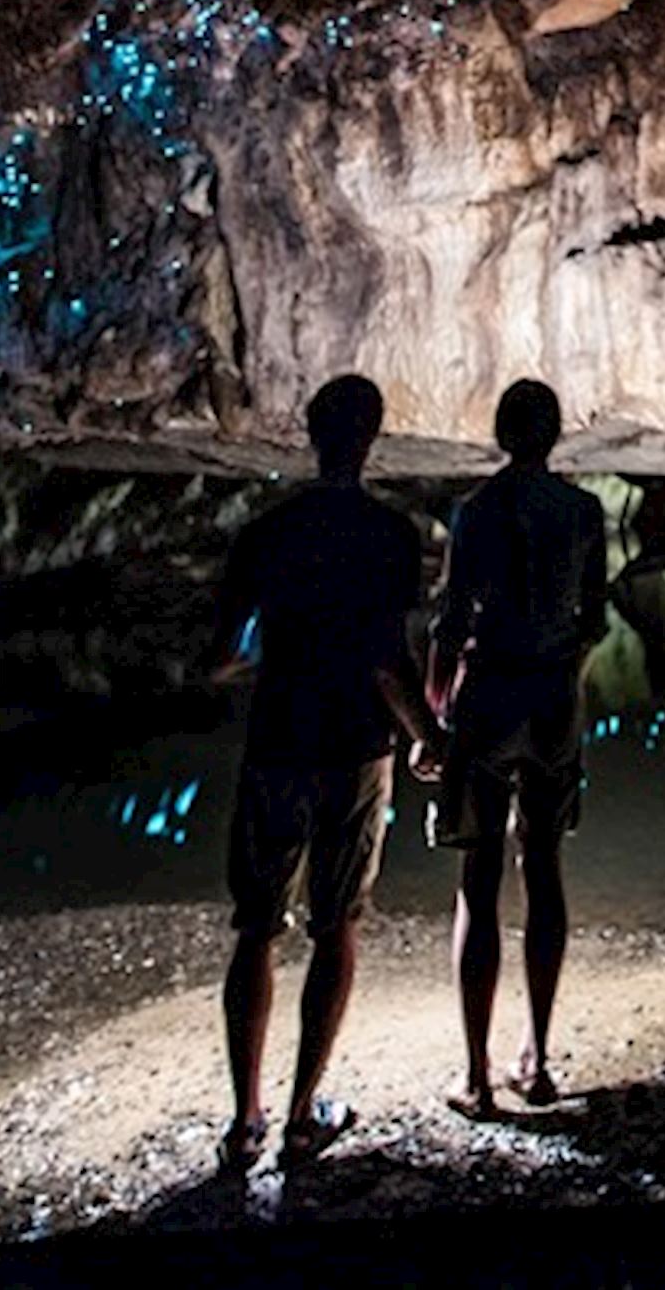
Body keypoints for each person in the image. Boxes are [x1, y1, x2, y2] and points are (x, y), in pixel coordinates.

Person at [206, 372, 438, 1172]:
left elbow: (223, 656)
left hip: (277, 740)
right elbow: (386, 657)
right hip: (354, 747)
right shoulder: (390, 536)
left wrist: (267, 654)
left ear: (310, 433)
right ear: (371, 438)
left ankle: (244, 1124)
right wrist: (429, 734)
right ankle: (305, 1115)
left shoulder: (267, 534)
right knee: (337, 923)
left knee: (256, 930)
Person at [427, 375, 610, 1111]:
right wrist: (565, 673)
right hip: (553, 694)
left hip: (492, 691)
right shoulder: (583, 510)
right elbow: (593, 618)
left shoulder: (477, 512)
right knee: (545, 864)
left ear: (502, 434)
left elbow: (448, 621)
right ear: (554, 435)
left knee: (478, 878)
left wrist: (438, 712)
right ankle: (536, 1060)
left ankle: (476, 1075)